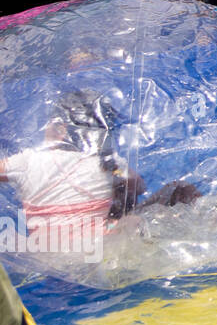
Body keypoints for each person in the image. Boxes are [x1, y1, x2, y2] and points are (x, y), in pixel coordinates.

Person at [0, 91, 199, 239]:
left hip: (46, 252)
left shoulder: (26, 161)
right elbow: (140, 187)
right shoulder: (108, 163)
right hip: (100, 244)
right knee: (178, 189)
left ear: (60, 128)